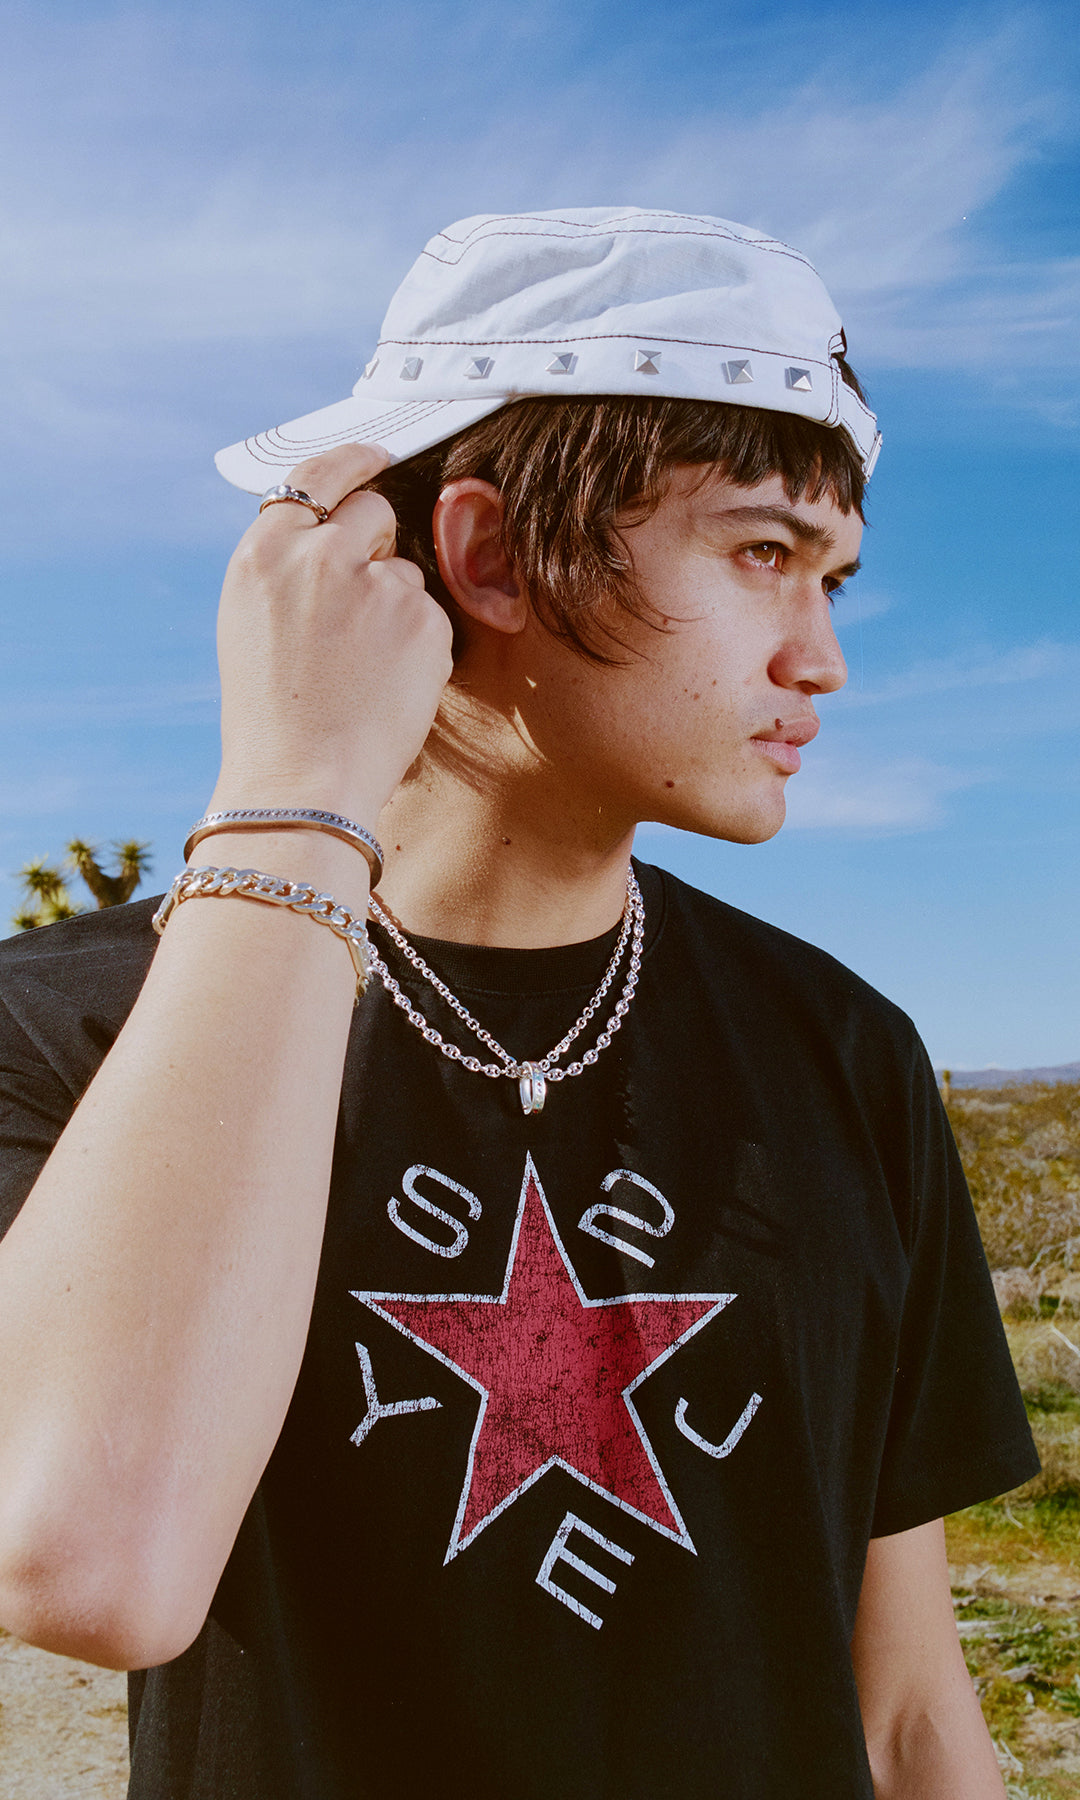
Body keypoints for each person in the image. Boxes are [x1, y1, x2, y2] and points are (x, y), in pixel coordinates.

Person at [0, 209, 1037, 1798]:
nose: (821, 658)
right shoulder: (66, 1030)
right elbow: (93, 1568)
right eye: (762, 554)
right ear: (489, 555)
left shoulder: (844, 1049)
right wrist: (295, 787)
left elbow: (905, 1714)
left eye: (831, 576)